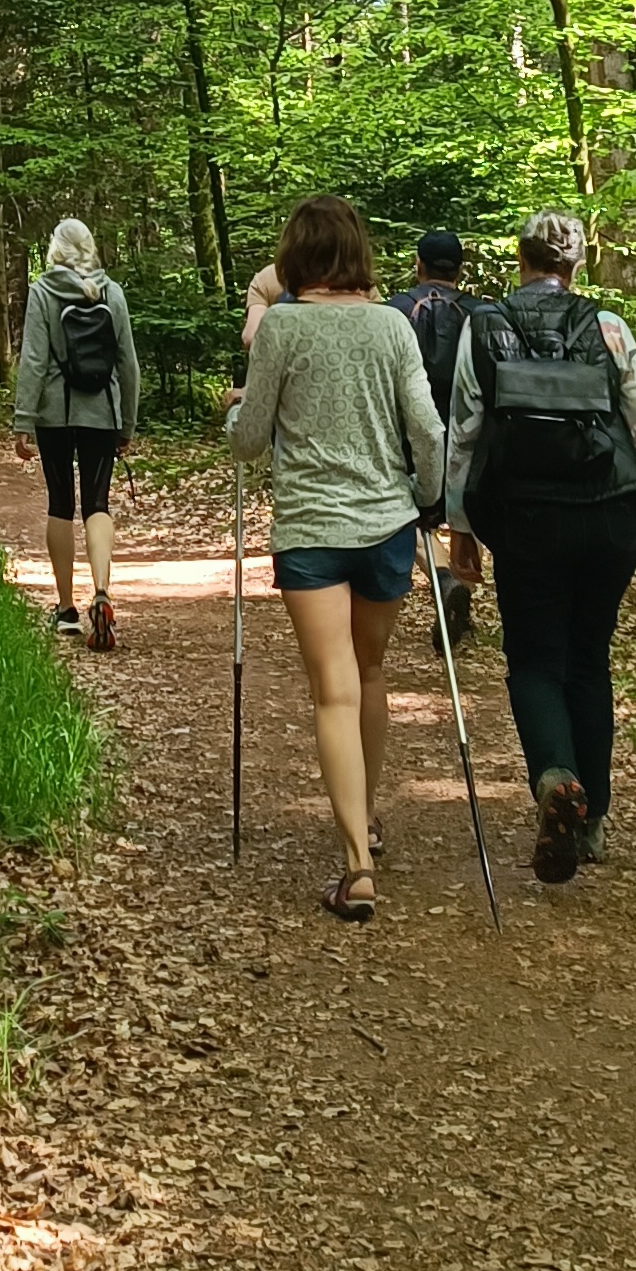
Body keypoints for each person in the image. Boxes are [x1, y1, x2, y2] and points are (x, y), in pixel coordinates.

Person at [226, 193, 444, 923]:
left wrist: (234, 410)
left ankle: (355, 862)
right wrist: (427, 495)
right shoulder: (393, 327)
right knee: (371, 671)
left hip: (313, 532)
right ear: (357, 255)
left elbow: (250, 438)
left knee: (333, 690)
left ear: (296, 256)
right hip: (386, 527)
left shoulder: (283, 326)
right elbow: (428, 430)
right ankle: (367, 818)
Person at [445, 209, 636, 883]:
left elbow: (464, 432)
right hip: (609, 515)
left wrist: (461, 532)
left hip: (526, 520)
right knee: (589, 662)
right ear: (577, 266)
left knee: (535, 661)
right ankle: (593, 817)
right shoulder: (609, 327)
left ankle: (554, 775)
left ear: (520, 261)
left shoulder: (484, 326)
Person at [12, 217, 141, 651]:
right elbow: (128, 364)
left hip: (54, 412)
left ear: (55, 251)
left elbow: (32, 359)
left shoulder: (43, 291)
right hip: (102, 411)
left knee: (61, 502)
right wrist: (127, 421)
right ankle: (102, 591)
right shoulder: (113, 292)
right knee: (98, 501)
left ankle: (66, 609)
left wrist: (23, 420)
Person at [388, 230, 476, 651]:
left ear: (418, 265)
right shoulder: (483, 315)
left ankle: (444, 579)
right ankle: (460, 587)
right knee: (465, 517)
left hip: (409, 435)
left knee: (414, 517)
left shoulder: (394, 312)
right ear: (460, 269)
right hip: (469, 438)